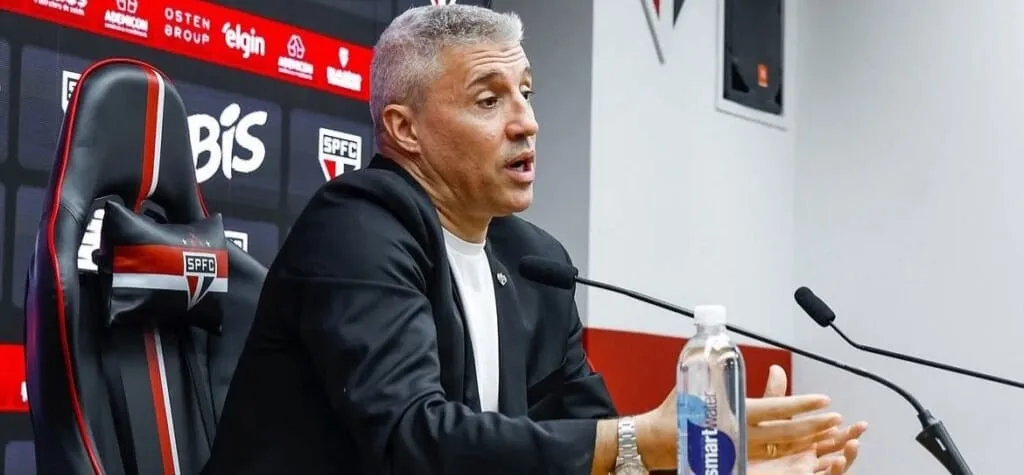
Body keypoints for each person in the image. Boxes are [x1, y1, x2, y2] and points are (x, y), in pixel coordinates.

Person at [202, 5, 867, 475]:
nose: (528, 122)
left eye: (526, 92)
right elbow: (413, 440)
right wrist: (642, 439)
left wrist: (717, 464)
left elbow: (599, 446)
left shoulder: (532, 262)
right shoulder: (356, 227)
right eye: (489, 100)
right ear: (404, 130)